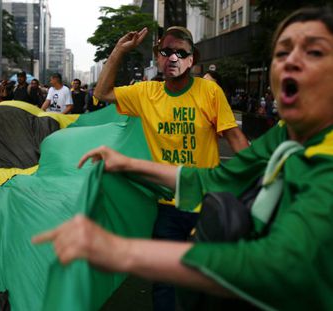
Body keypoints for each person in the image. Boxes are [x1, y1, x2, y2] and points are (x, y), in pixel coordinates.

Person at [33, 6, 333, 310]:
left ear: (192, 59)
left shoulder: (322, 155)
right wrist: (128, 163)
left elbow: (279, 262)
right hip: (172, 206)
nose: (291, 61)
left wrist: (119, 251)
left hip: (210, 209)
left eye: (315, 52)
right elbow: (220, 177)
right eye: (282, 53)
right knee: (173, 291)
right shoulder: (285, 135)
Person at [91, 26, 248, 310]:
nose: (172, 58)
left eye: (181, 53)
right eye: (166, 51)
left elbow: (235, 139)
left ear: (192, 59)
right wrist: (119, 50)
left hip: (207, 204)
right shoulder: (145, 93)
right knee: (165, 283)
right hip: (167, 206)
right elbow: (102, 92)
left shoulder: (209, 91)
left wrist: (266, 178)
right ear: (157, 57)